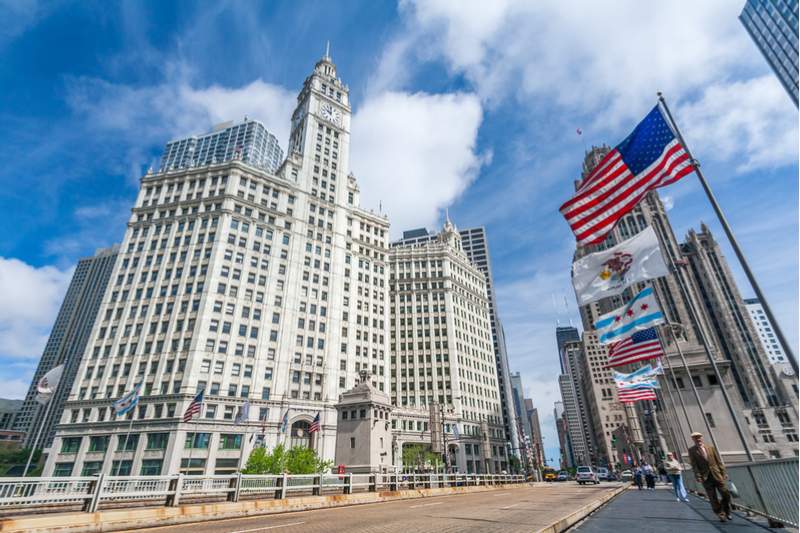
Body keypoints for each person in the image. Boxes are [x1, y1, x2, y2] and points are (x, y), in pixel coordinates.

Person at [688, 431, 731, 522]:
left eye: (699, 437)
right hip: (706, 477)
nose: (698, 439)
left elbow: (718, 461)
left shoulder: (710, 448)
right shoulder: (692, 450)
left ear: (702, 438)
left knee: (726, 494)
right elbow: (694, 465)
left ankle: (726, 510)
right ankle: (720, 514)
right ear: (693, 440)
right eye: (695, 438)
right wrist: (698, 476)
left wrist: (723, 473)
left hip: (717, 474)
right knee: (712, 497)